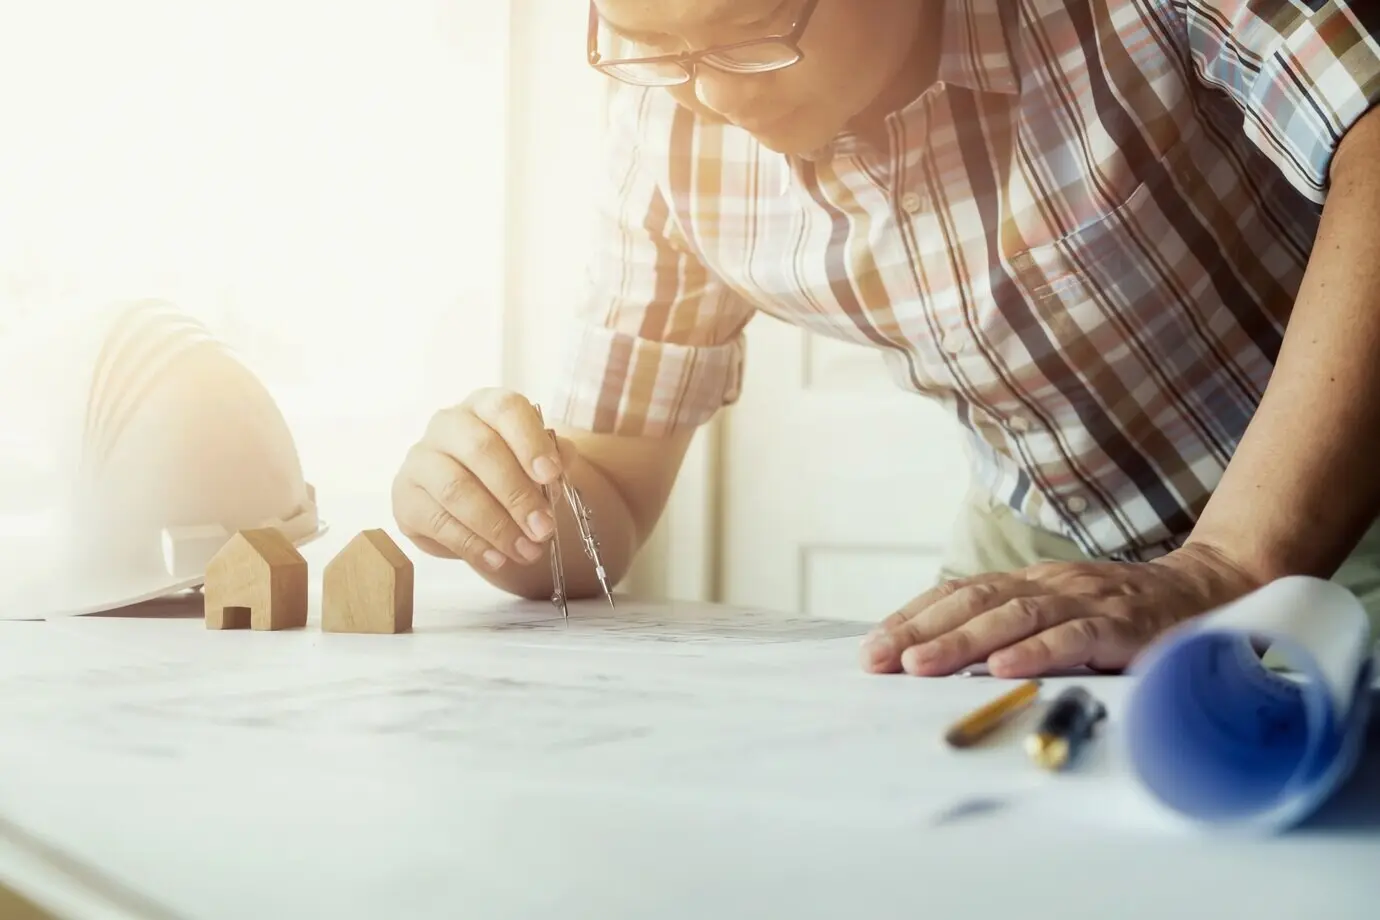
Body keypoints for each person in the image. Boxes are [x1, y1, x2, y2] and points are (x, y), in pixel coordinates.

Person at [391, 0, 1380, 679]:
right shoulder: (661, 119)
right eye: (649, 41)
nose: (710, 98)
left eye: (752, 31)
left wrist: (1228, 566)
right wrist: (502, 511)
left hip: (1338, 484)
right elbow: (604, 497)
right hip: (1044, 541)